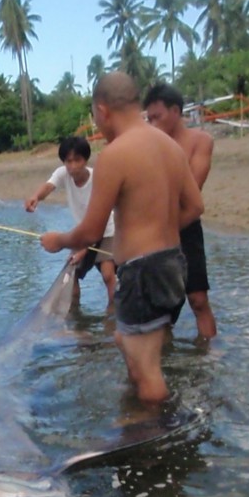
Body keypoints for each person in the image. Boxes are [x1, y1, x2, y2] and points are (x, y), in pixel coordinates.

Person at [40, 72, 204, 403]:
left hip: (143, 271)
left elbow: (90, 231)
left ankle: (151, 441)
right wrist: (162, 232)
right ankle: (143, 414)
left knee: (145, 369)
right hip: (174, 264)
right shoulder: (170, 145)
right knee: (134, 349)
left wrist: (59, 240)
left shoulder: (115, 154)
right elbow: (195, 205)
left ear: (102, 110)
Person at [143, 82, 217, 339]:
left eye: (157, 117)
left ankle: (209, 355)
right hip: (153, 230)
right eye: (148, 118)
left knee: (198, 299)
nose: (152, 123)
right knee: (159, 310)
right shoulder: (147, 145)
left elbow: (192, 190)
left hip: (185, 224)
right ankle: (166, 364)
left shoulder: (201, 141)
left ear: (175, 111)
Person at [25, 135, 115, 307]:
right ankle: (75, 315)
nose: (73, 166)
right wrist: (36, 197)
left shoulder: (98, 179)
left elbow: (99, 221)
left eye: (77, 160)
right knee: (71, 273)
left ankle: (112, 314)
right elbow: (48, 186)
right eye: (68, 161)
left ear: (86, 159)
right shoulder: (62, 174)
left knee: (107, 274)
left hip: (107, 230)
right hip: (84, 232)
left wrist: (83, 249)